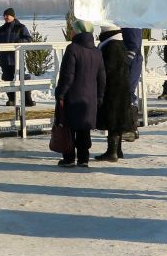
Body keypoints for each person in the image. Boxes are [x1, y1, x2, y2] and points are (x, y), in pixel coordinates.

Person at [54, 19, 105, 167]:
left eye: (73, 29)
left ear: (78, 31)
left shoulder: (73, 49)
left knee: (69, 128)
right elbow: (102, 77)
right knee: (84, 129)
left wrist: (60, 93)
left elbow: (67, 76)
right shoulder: (97, 51)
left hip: (73, 96)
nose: (71, 31)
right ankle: (83, 158)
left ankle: (69, 158)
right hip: (90, 98)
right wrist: (99, 96)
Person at [95, 23, 136, 162]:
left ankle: (112, 151)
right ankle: (117, 150)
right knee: (117, 118)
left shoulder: (111, 45)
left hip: (113, 88)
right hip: (121, 87)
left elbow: (108, 68)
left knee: (113, 119)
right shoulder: (119, 43)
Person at [0, 8, 34, 107]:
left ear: (13, 16)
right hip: (4, 59)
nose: (5, 17)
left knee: (22, 78)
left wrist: (19, 42)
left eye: (7, 15)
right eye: (4, 15)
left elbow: (28, 39)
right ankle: (12, 100)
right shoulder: (1, 29)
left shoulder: (20, 27)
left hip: (17, 58)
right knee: (7, 78)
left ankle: (27, 100)